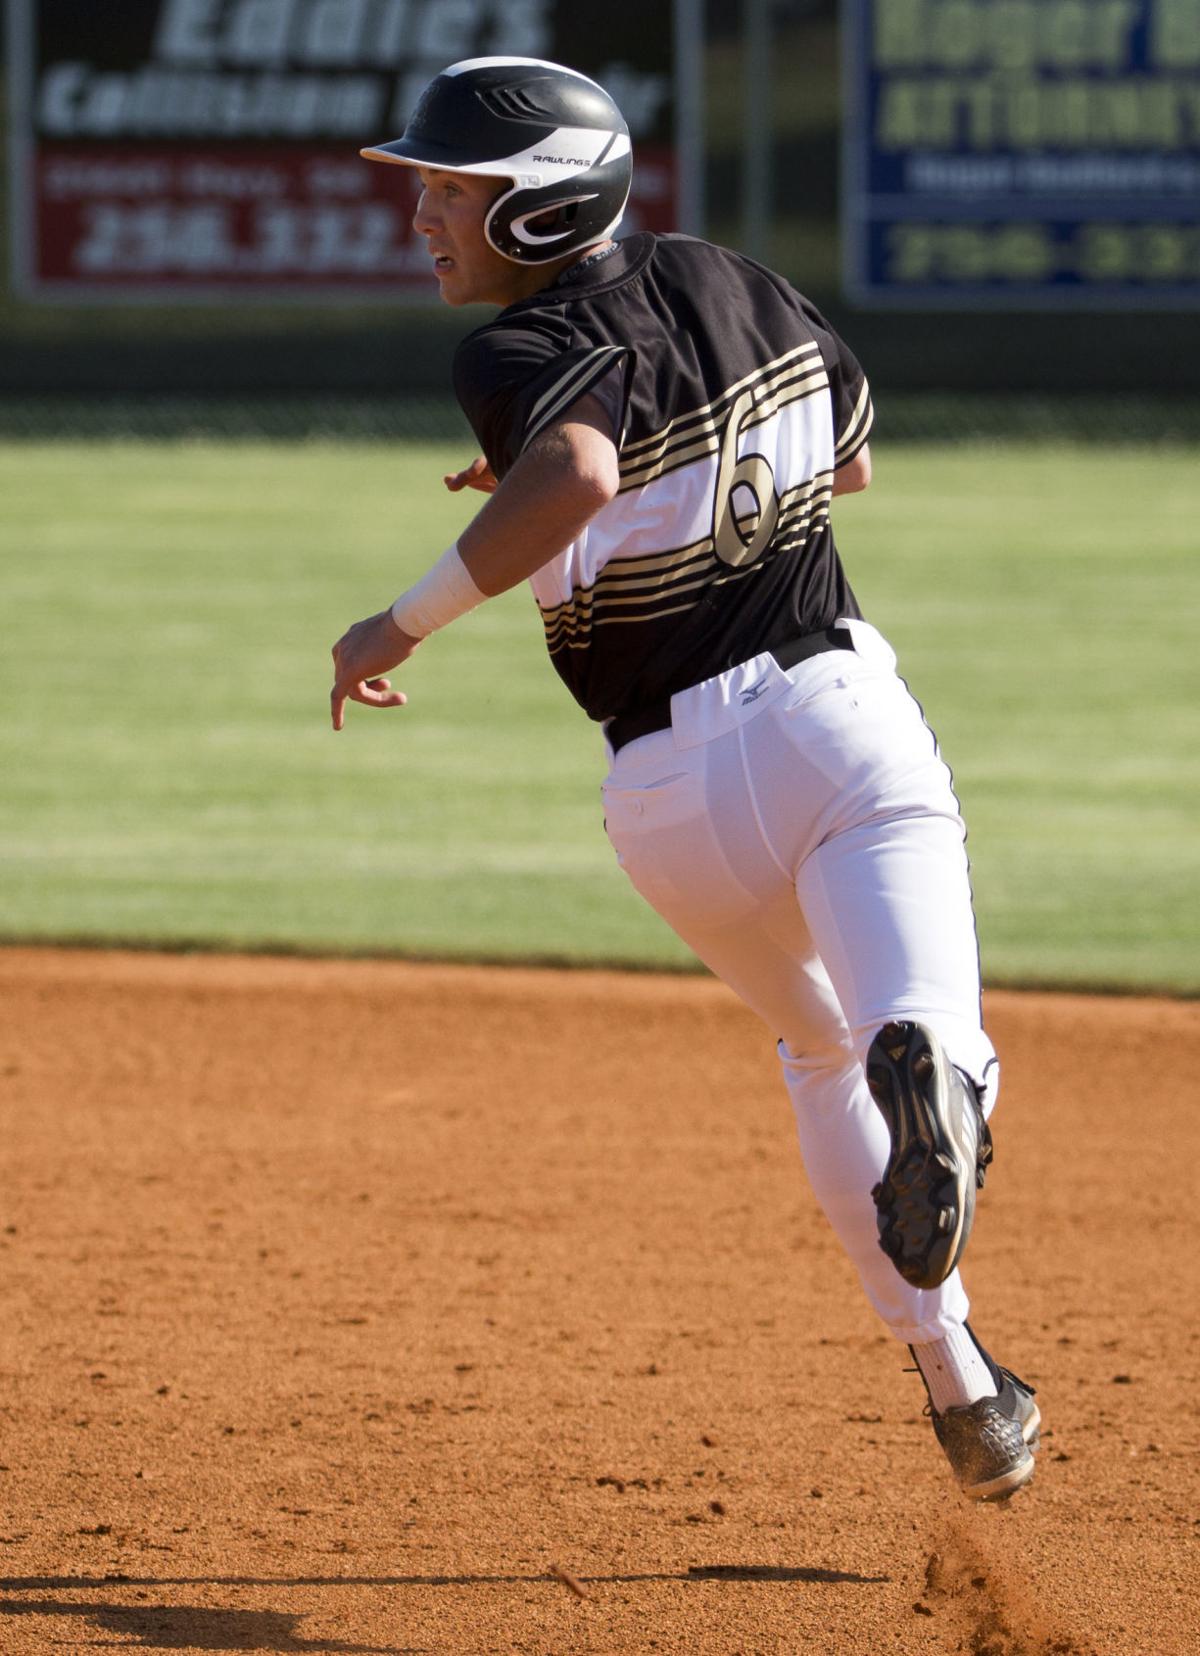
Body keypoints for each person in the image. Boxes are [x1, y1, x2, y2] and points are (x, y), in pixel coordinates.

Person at [330, 55, 1040, 1501]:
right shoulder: (741, 279)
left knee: (818, 1048)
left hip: (666, 811)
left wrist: (391, 621)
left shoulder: (510, 355)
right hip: (833, 724)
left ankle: (962, 1380)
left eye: (447, 191)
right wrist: (516, 517)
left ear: (536, 211)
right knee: (911, 1030)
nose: (419, 216)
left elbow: (585, 468)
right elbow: (839, 463)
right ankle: (949, 1076)